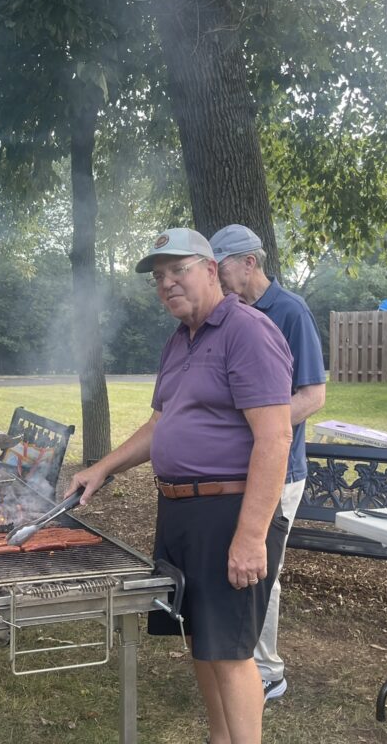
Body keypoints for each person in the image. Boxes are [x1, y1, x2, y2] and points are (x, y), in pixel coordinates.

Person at [71, 228, 293, 744]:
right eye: (158, 278)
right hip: (179, 511)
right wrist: (102, 468)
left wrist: (251, 535)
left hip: (229, 511)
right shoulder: (179, 340)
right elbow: (159, 424)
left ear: (211, 270)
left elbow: (276, 436)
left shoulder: (247, 331)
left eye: (178, 271)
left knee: (233, 651)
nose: (167, 284)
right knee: (198, 636)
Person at [210, 224, 327, 701]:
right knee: (236, 564)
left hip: (280, 467)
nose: (217, 281)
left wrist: (258, 428)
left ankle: (267, 671)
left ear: (250, 263)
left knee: (262, 568)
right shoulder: (230, 313)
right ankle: (237, 659)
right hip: (235, 469)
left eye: (221, 270)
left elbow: (313, 396)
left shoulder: (289, 311)